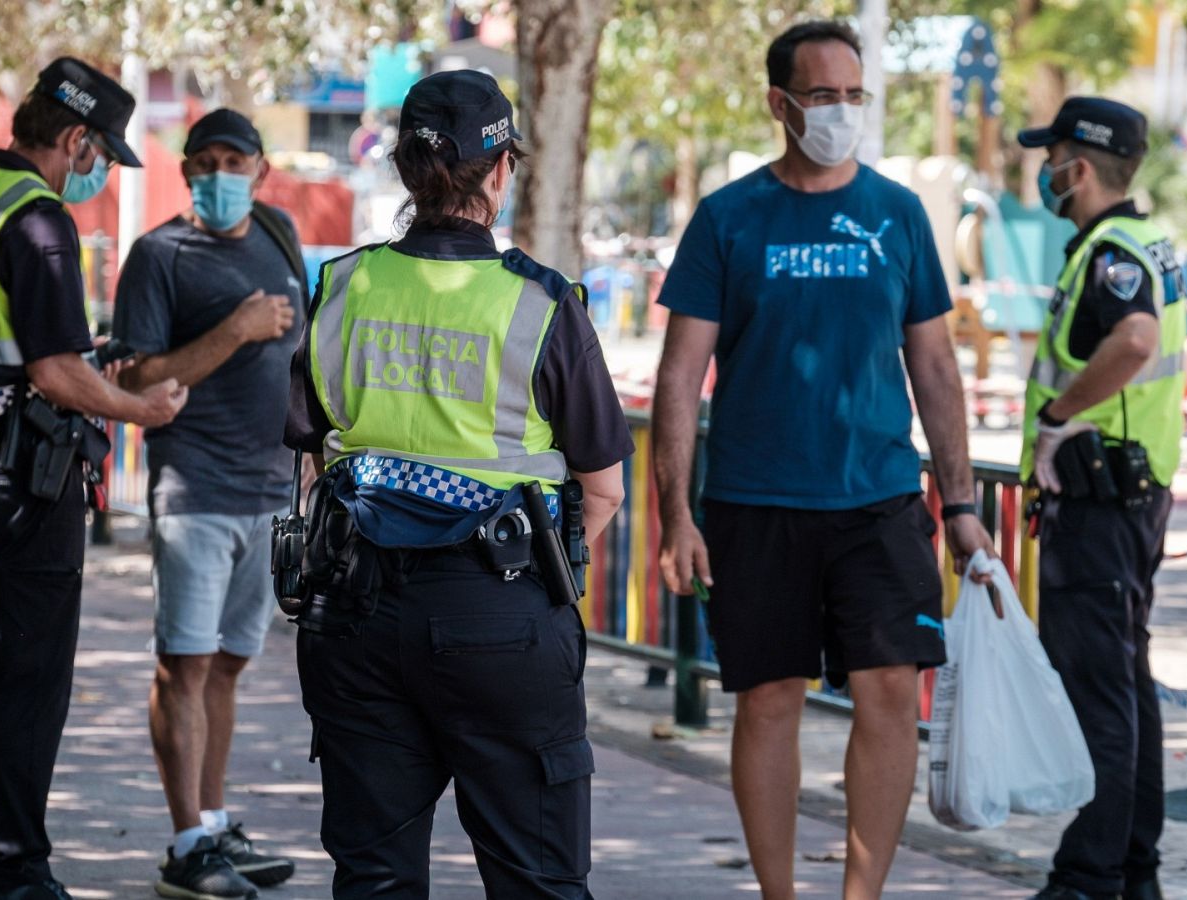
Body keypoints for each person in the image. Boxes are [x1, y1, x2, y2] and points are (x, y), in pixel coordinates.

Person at [653, 21, 995, 900]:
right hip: (754, 503)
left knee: (888, 692)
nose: (841, 112)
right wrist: (677, 515)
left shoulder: (899, 214)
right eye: (822, 96)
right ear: (780, 104)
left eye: (854, 95)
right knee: (769, 701)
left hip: (877, 501)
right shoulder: (728, 219)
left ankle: (861, 895)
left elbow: (934, 365)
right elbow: (681, 373)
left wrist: (959, 507)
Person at [284, 69, 631, 898]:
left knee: (374, 876)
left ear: (403, 170)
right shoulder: (542, 305)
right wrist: (542, 574)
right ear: (503, 170)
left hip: (353, 612)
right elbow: (606, 487)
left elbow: (308, 454)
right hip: (501, 611)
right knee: (535, 879)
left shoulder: (342, 287)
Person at [0, 58, 187, 900]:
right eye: (100, 155)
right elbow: (55, 372)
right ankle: (10, 869)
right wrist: (140, 409)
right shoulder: (39, 218)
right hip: (21, 472)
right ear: (74, 139)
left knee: (0, 670)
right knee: (31, 675)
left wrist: (80, 365)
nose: (99, 172)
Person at [112, 108, 302, 898]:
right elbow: (133, 380)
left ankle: (217, 826)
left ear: (260, 169)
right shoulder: (159, 254)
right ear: (187, 170)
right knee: (183, 665)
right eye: (205, 160)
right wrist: (237, 328)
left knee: (228, 665)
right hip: (195, 488)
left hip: (268, 488)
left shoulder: (279, 230)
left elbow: (301, 354)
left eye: (236, 160)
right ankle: (186, 842)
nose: (220, 174)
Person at [1016, 97, 1187, 900]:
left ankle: (1089, 877)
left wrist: (1057, 415)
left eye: (1049, 158)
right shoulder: (1149, 241)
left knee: (1099, 697)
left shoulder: (1112, 253)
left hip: (1099, 500)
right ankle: (1132, 866)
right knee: (1126, 690)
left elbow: (1136, 340)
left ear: (1077, 168)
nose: (1044, 172)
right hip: (1134, 499)